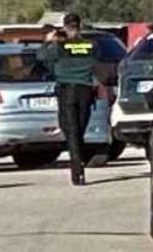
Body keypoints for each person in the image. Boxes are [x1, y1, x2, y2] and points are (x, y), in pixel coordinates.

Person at [37, 13, 99, 186]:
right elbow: (97, 61)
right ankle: (79, 162)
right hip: (85, 90)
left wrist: (48, 41)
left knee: (70, 130)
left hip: (67, 90)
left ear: (65, 27)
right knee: (79, 130)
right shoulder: (91, 44)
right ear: (80, 26)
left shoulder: (60, 46)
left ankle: (77, 169)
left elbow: (41, 57)